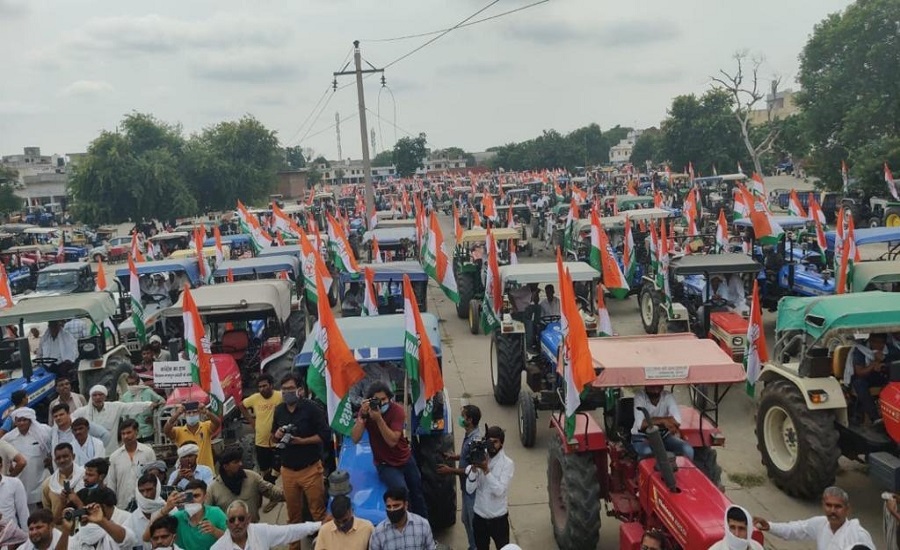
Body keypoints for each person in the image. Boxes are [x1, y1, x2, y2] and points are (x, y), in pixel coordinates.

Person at [351, 381, 428, 518]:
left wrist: (379, 419)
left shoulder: (397, 411)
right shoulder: (367, 414)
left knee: (417, 492)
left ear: (389, 398)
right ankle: (406, 522)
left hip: (405, 458)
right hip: (385, 464)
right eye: (376, 400)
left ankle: (424, 524)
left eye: (383, 400)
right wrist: (362, 417)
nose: (381, 403)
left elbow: (392, 440)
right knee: (402, 492)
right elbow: (355, 438)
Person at [271, 374, 329, 550]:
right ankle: (294, 547)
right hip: (287, 470)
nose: (287, 392)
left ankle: (324, 545)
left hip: (310, 469)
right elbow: (272, 436)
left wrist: (302, 441)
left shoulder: (311, 409)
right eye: (284, 389)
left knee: (318, 512)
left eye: (290, 388)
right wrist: (278, 435)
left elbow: (324, 435)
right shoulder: (279, 410)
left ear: (300, 390)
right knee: (293, 515)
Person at [753, 486, 875, 549]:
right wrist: (770, 526)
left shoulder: (858, 534)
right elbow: (794, 529)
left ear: (847, 509)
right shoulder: (820, 524)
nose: (832, 511)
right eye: (829, 505)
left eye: (838, 506)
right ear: (823, 505)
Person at [437, 404, 482, 550]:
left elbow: (472, 470)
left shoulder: (475, 441)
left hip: (472, 490)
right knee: (465, 519)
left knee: (472, 522)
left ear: (470, 420)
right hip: (466, 489)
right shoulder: (469, 436)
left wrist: (450, 470)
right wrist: (454, 456)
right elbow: (466, 457)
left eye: (463, 416)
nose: (460, 419)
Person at [73, 385, 161, 455]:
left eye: (100, 395)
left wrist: (148, 404)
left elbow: (130, 406)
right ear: (91, 397)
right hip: (91, 453)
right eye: (95, 395)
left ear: (105, 396)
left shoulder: (114, 407)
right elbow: (70, 420)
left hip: (111, 452)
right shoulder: (83, 412)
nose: (97, 397)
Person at [465, 425, 515, 550]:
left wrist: (486, 470)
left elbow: (499, 491)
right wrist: (474, 469)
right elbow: (469, 489)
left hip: (498, 520)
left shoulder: (507, 464)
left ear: (501, 443)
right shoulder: (480, 456)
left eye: (495, 442)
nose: (492, 446)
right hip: (479, 518)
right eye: (489, 442)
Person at [205, 445, 283, 523]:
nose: (240, 464)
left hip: (253, 530)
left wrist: (291, 493)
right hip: (228, 532)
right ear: (226, 467)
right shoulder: (213, 489)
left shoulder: (252, 478)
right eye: (236, 462)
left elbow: (274, 492)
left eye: (240, 460)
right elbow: (206, 515)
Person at [210, 499, 320, 550]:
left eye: (241, 518)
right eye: (232, 520)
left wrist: (319, 525)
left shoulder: (260, 531)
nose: (237, 523)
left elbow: (289, 531)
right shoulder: (218, 548)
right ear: (227, 523)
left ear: (248, 519)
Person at [149, 479, 225, 550]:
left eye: (196, 496)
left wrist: (215, 531)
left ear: (205, 497)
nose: (192, 500)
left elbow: (233, 539)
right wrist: (166, 508)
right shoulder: (178, 517)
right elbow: (147, 535)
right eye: (189, 496)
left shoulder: (216, 513)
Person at [59, 486, 137, 550]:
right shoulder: (78, 539)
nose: (88, 519)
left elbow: (128, 540)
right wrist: (66, 529)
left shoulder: (110, 537)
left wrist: (101, 521)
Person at [2, 407, 51, 507]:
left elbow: (53, 446)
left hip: (41, 478)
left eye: (24, 420)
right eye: (19, 420)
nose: (22, 423)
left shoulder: (42, 432)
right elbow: (3, 452)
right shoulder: (9, 437)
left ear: (30, 420)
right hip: (21, 480)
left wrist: (50, 459)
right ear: (15, 422)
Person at [238, 374, 282, 484]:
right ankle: (269, 494)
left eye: (264, 386)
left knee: (278, 469)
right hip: (261, 442)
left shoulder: (280, 396)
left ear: (271, 385)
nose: (262, 389)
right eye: (260, 387)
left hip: (277, 442)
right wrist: (251, 421)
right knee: (264, 470)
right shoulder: (255, 398)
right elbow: (241, 405)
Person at [631, 385, 694, 460]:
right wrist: (663, 421)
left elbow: (677, 420)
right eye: (652, 386)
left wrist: (651, 421)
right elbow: (640, 424)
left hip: (664, 436)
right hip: (642, 437)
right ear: (646, 386)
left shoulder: (668, 396)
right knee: (648, 454)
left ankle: (683, 471)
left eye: (658, 386)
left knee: (687, 449)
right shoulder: (640, 397)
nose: (655, 390)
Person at [108, 419, 157, 510]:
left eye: (129, 432)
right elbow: (111, 483)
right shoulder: (114, 456)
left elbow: (154, 479)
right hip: (122, 506)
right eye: (123, 434)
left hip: (145, 504)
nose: (126, 436)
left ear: (136, 432)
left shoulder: (148, 452)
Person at [369, 486, 435, 550]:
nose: (392, 510)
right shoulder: (378, 532)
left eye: (396, 506)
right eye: (389, 507)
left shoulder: (422, 525)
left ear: (406, 505)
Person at [163, 403, 221, 471]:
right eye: (189, 413)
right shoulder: (179, 431)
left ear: (199, 413)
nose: (191, 414)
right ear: (184, 415)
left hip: (207, 472)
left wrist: (206, 412)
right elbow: (166, 430)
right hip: (187, 472)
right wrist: (177, 414)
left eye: (194, 412)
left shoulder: (206, 427)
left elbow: (217, 423)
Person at [849, 333, 891, 425]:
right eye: (875, 342)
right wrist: (874, 363)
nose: (878, 345)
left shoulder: (890, 349)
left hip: (882, 376)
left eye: (881, 343)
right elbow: (859, 372)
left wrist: (884, 366)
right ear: (870, 340)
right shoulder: (860, 350)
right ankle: (875, 418)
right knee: (859, 383)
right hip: (864, 378)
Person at [41, 443, 84, 525]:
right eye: (58, 458)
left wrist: (76, 500)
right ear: (54, 460)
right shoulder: (48, 484)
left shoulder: (85, 477)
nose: (62, 460)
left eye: (65, 456)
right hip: (59, 530)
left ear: (73, 456)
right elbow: (48, 513)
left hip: (82, 527)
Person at [120, 373, 165, 443]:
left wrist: (155, 417)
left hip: (147, 431)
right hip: (132, 433)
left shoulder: (147, 392)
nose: (131, 386)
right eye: (129, 384)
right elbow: (123, 414)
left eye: (133, 383)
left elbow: (162, 402)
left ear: (138, 382)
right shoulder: (125, 396)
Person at [129, 473, 166, 550]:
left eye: (149, 490)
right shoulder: (131, 520)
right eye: (141, 491)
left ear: (157, 488)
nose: (145, 494)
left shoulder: (171, 510)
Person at [0, 453, 30, 530]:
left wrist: (28, 538)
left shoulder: (14, 483)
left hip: (12, 536)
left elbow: (23, 513)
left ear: (1, 465)